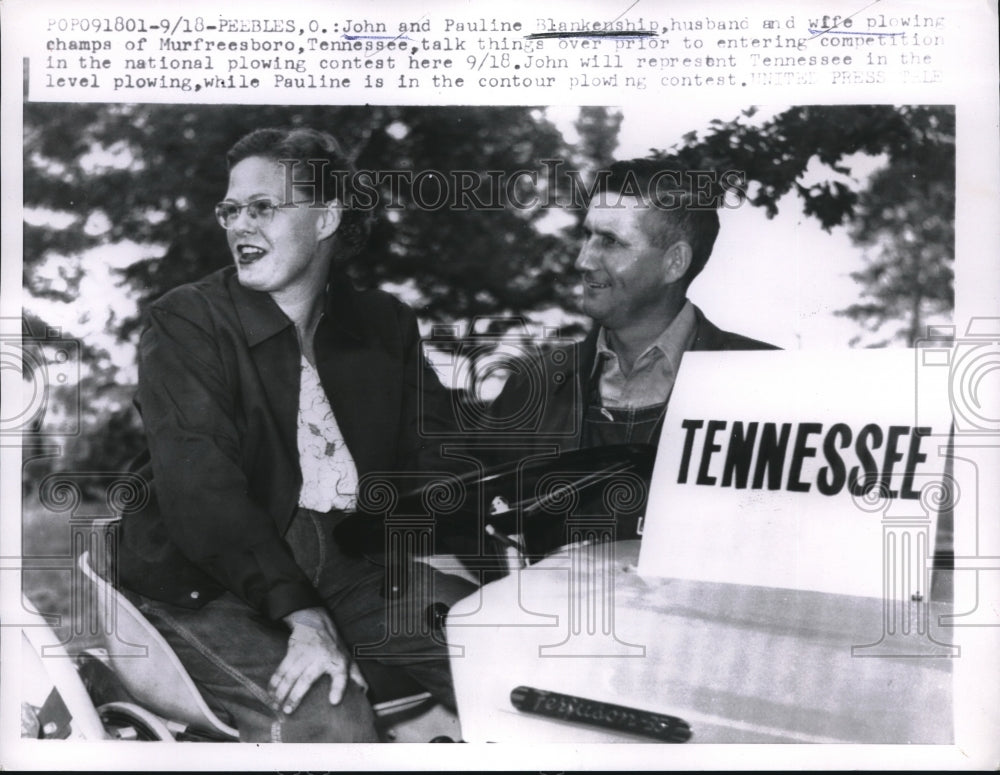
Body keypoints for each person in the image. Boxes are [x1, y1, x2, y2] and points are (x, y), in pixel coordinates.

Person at [115, 127, 471, 743]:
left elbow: (440, 459)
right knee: (332, 719)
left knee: (506, 646)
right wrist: (305, 617)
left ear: (327, 217)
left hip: (352, 561)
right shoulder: (187, 321)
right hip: (202, 575)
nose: (239, 225)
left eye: (263, 208)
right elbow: (203, 491)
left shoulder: (385, 323)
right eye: (231, 209)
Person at [480, 158, 777, 552]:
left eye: (611, 241)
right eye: (587, 236)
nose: (583, 260)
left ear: (674, 263)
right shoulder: (529, 388)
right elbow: (473, 527)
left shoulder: (770, 388)